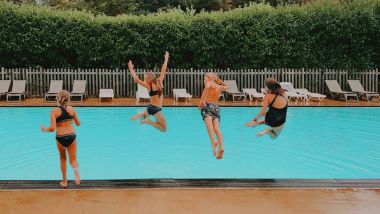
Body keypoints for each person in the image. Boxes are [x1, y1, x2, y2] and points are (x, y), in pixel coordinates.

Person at [41, 90, 81, 188]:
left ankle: (64, 182)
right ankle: (75, 170)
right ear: (69, 99)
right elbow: (78, 124)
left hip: (60, 137)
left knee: (63, 158)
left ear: (57, 99)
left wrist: (44, 129)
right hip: (72, 136)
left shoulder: (54, 111)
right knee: (73, 159)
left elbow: (52, 128)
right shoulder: (72, 109)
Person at [128, 51, 169, 132]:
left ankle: (143, 114)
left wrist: (131, 69)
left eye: (145, 78)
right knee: (164, 129)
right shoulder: (160, 81)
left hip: (150, 107)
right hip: (157, 109)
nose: (144, 80)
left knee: (149, 118)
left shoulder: (148, 86)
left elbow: (136, 79)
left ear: (149, 79)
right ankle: (148, 121)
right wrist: (166, 59)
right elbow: (163, 69)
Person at [199, 72, 228, 159]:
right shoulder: (219, 86)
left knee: (209, 125)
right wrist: (220, 81)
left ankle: (213, 142)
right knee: (217, 129)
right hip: (216, 107)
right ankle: (221, 147)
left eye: (205, 78)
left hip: (207, 105)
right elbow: (227, 87)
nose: (204, 80)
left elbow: (207, 88)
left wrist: (201, 101)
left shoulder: (209, 83)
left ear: (210, 78)